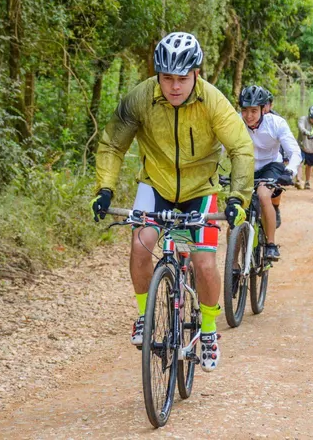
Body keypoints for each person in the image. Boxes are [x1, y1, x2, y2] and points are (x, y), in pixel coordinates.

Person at [91, 32, 254, 372]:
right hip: (156, 184)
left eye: (182, 78)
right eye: (167, 78)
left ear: (197, 72)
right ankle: (143, 315)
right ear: (157, 74)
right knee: (140, 246)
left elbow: (240, 148)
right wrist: (104, 188)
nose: (174, 86)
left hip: (200, 191)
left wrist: (237, 197)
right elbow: (112, 144)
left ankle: (208, 331)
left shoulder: (213, 101)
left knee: (204, 262)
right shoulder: (141, 98)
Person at [238, 85, 301, 260]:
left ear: (263, 109)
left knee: (264, 195)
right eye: (244, 110)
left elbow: (294, 152)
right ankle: (233, 265)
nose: (248, 116)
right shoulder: (235, 122)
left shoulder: (276, 123)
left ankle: (271, 244)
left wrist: (290, 171)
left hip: (271, 165)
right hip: (246, 166)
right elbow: (219, 148)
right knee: (236, 208)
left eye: (253, 111)